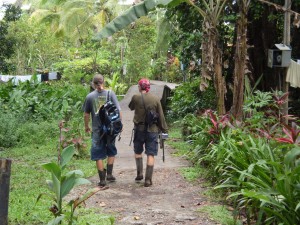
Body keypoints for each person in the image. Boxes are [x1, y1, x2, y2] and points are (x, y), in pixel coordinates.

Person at [83, 74, 122, 187]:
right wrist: (119, 126)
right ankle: (109, 174)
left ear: (93, 84)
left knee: (98, 153)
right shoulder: (111, 94)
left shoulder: (90, 97)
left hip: (97, 130)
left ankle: (102, 180)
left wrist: (86, 126)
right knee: (111, 150)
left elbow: (86, 114)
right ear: (103, 82)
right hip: (110, 129)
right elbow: (118, 110)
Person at [128, 78, 168, 187]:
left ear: (140, 87)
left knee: (138, 151)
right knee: (150, 153)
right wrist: (164, 129)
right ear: (149, 87)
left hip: (139, 129)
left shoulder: (136, 97)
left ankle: (139, 174)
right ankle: (148, 180)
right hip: (152, 130)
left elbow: (130, 107)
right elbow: (161, 115)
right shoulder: (155, 99)